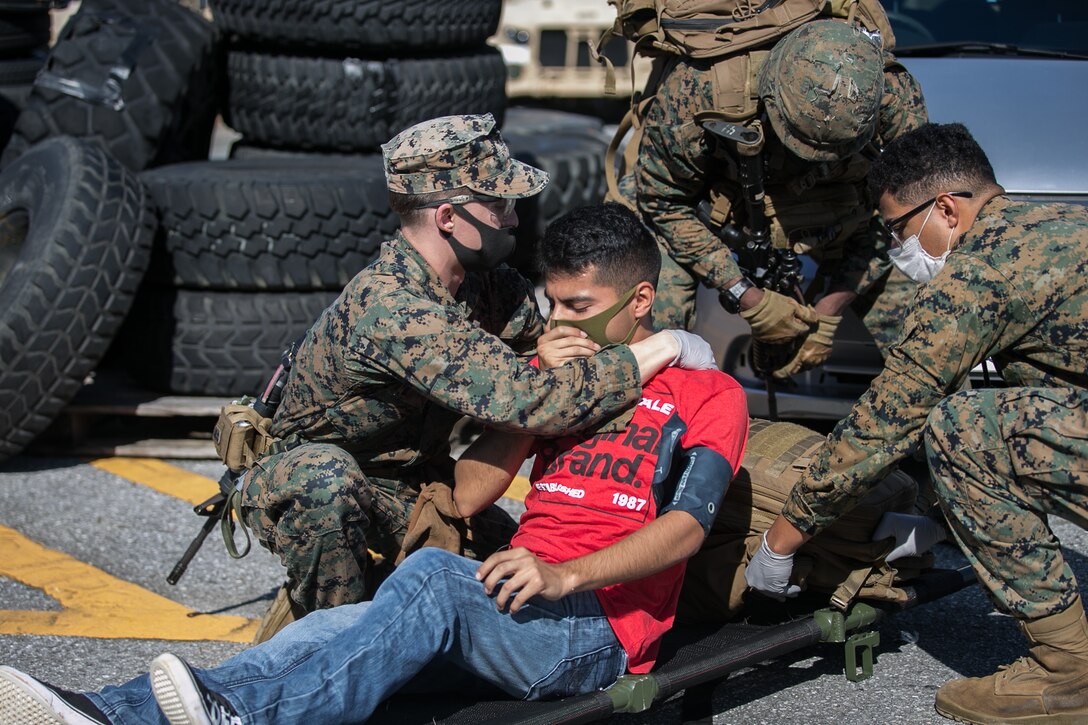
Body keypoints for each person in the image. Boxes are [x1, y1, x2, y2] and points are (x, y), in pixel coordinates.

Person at [0, 202, 750, 725]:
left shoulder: (707, 393)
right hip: (523, 598)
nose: (557, 322)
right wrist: (538, 402)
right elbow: (464, 495)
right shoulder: (571, 384)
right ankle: (111, 707)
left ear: (641, 299)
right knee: (326, 632)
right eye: (551, 305)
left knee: (426, 584)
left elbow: (686, 526)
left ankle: (248, 714)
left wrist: (567, 574)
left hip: (597, 628)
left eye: (578, 307)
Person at [237, 113, 715, 616]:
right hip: (314, 479)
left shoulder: (493, 287)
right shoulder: (391, 306)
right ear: (447, 217)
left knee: (506, 584)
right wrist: (664, 347)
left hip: (413, 479)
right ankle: (320, 634)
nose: (512, 217)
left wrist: (542, 360)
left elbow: (553, 365)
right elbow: (529, 401)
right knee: (324, 484)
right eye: (498, 203)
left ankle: (384, 592)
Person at [745, 122, 1088, 723]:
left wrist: (784, 537)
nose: (899, 247)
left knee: (963, 426)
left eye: (900, 228)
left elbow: (887, 420)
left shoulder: (982, 271)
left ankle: (1067, 674)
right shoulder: (1057, 223)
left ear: (947, 209)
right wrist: (942, 520)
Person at [634, 18, 928, 376]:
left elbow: (904, 217)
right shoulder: (696, 91)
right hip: (718, 214)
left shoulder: (894, 99)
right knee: (647, 297)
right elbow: (662, 200)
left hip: (845, 218)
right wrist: (745, 293)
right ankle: (654, 413)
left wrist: (832, 306)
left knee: (926, 321)